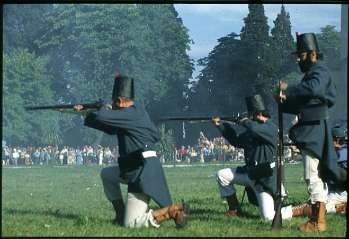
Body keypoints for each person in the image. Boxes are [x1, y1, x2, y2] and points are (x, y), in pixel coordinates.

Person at [74, 73, 188, 228]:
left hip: (143, 171)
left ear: (120, 101)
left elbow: (102, 116)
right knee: (107, 174)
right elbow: (109, 128)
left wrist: (100, 108)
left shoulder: (131, 113)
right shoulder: (132, 113)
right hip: (133, 167)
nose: (112, 105)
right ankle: (120, 214)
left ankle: (171, 211)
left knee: (132, 224)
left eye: (114, 102)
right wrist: (86, 113)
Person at [278, 32, 342, 232]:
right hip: (311, 127)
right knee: (314, 174)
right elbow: (304, 99)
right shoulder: (312, 74)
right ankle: (318, 218)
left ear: (313, 54)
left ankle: (318, 221)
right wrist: (283, 99)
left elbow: (312, 90)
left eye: (301, 55)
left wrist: (288, 89)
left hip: (314, 128)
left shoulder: (319, 71)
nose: (298, 59)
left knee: (311, 174)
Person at [213, 94, 292, 221]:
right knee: (221, 175)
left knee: (268, 217)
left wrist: (244, 121)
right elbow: (237, 141)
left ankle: (300, 209)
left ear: (256, 114)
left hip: (264, 179)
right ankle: (234, 209)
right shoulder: (253, 129)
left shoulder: (270, 128)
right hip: (250, 174)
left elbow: (254, 128)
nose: (249, 117)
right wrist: (220, 125)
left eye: (250, 114)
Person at [291, 125, 347, 218]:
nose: (337, 145)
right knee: (318, 202)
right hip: (333, 190)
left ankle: (288, 213)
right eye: (335, 141)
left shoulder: (342, 154)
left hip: (341, 191)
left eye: (341, 141)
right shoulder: (330, 153)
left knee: (317, 208)